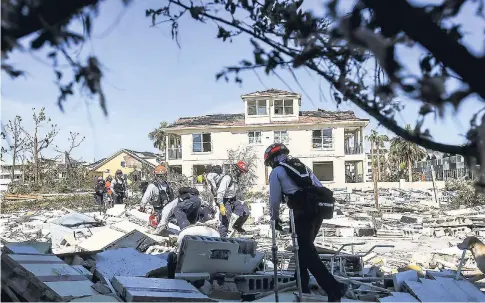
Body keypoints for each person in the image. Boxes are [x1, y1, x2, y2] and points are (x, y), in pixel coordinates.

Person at [264, 143, 348, 302]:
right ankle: (302, 283)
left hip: (301, 213)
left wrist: (274, 219)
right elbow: (319, 186)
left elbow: (274, 201)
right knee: (304, 249)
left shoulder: (277, 172)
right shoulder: (302, 168)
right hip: (318, 211)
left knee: (306, 251)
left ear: (272, 160)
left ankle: (334, 288)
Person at [216, 160, 251, 237]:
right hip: (225, 201)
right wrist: (221, 205)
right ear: (237, 170)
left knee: (246, 211)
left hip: (233, 200)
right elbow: (220, 192)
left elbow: (235, 192)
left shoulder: (236, 179)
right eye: (241, 172)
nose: (242, 174)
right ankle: (222, 238)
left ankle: (237, 226)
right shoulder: (227, 178)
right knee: (225, 221)